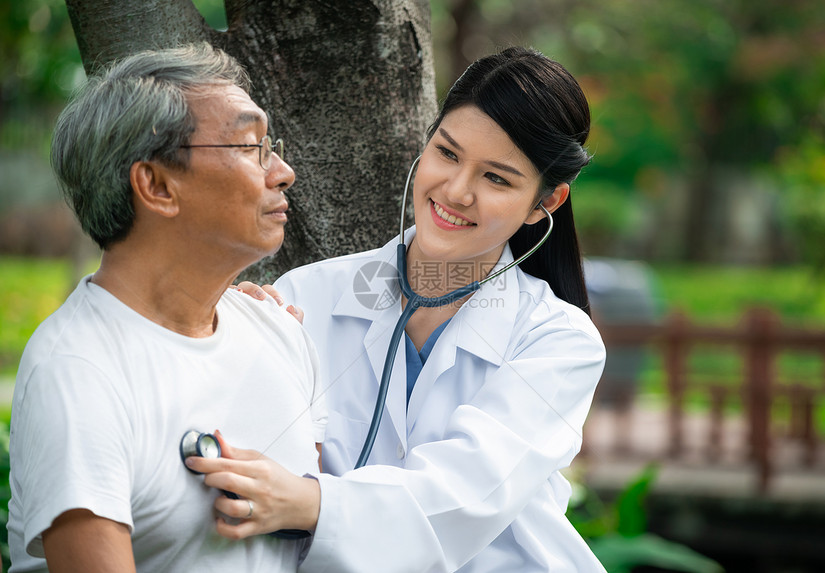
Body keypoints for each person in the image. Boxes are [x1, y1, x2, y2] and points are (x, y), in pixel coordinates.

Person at [190, 46, 606, 572]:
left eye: (496, 178)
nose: (456, 191)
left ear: (545, 203)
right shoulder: (305, 297)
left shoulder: (559, 340)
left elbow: (469, 490)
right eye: (448, 154)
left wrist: (310, 503)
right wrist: (232, 332)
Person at [7, 44, 327, 573]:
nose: (283, 172)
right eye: (250, 147)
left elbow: (317, 547)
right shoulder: (78, 372)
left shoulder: (279, 332)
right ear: (156, 185)